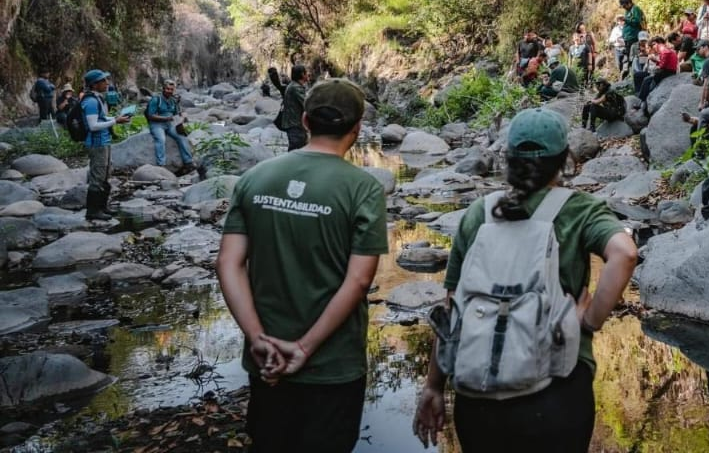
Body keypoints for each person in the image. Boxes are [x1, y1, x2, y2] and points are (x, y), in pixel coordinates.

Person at [414, 109, 638, 451]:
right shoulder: (580, 209)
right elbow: (625, 253)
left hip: (479, 393)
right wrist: (590, 320)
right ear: (565, 159)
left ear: (508, 159)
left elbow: (451, 309)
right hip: (556, 394)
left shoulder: (480, 212)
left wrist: (433, 386)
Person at [216, 79, 388, 453]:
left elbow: (228, 264)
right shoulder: (364, 189)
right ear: (357, 130)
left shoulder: (254, 178)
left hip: (267, 361)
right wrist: (305, 349)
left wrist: (257, 338)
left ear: (306, 121)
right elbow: (358, 281)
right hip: (333, 365)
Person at [81, 70, 132, 221]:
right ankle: (92, 211)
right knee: (97, 176)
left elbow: (101, 118)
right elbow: (93, 125)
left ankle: (102, 207)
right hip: (96, 143)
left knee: (104, 174)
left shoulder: (98, 98)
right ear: (95, 84)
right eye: (104, 81)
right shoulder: (90, 101)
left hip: (104, 141)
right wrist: (116, 121)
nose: (107, 83)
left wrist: (115, 118)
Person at [145, 79, 195, 173]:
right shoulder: (156, 99)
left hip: (170, 124)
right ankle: (161, 165)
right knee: (161, 139)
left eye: (171, 89)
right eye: (167, 89)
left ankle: (188, 162)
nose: (169, 91)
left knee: (182, 137)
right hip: (156, 124)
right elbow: (150, 115)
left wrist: (183, 118)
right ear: (163, 89)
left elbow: (177, 114)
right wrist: (166, 118)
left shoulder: (173, 100)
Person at [637, 36, 678, 107]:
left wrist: (659, 65)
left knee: (647, 80)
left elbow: (665, 57)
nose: (654, 50)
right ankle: (642, 98)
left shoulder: (662, 48)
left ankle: (641, 100)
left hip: (669, 71)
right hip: (668, 70)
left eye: (652, 47)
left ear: (655, 44)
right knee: (646, 78)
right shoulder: (663, 48)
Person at [281, 64, 311, 151]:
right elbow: (307, 104)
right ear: (302, 74)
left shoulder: (292, 85)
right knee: (297, 150)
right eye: (306, 73)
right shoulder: (296, 88)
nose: (307, 75)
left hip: (292, 124)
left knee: (297, 150)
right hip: (295, 124)